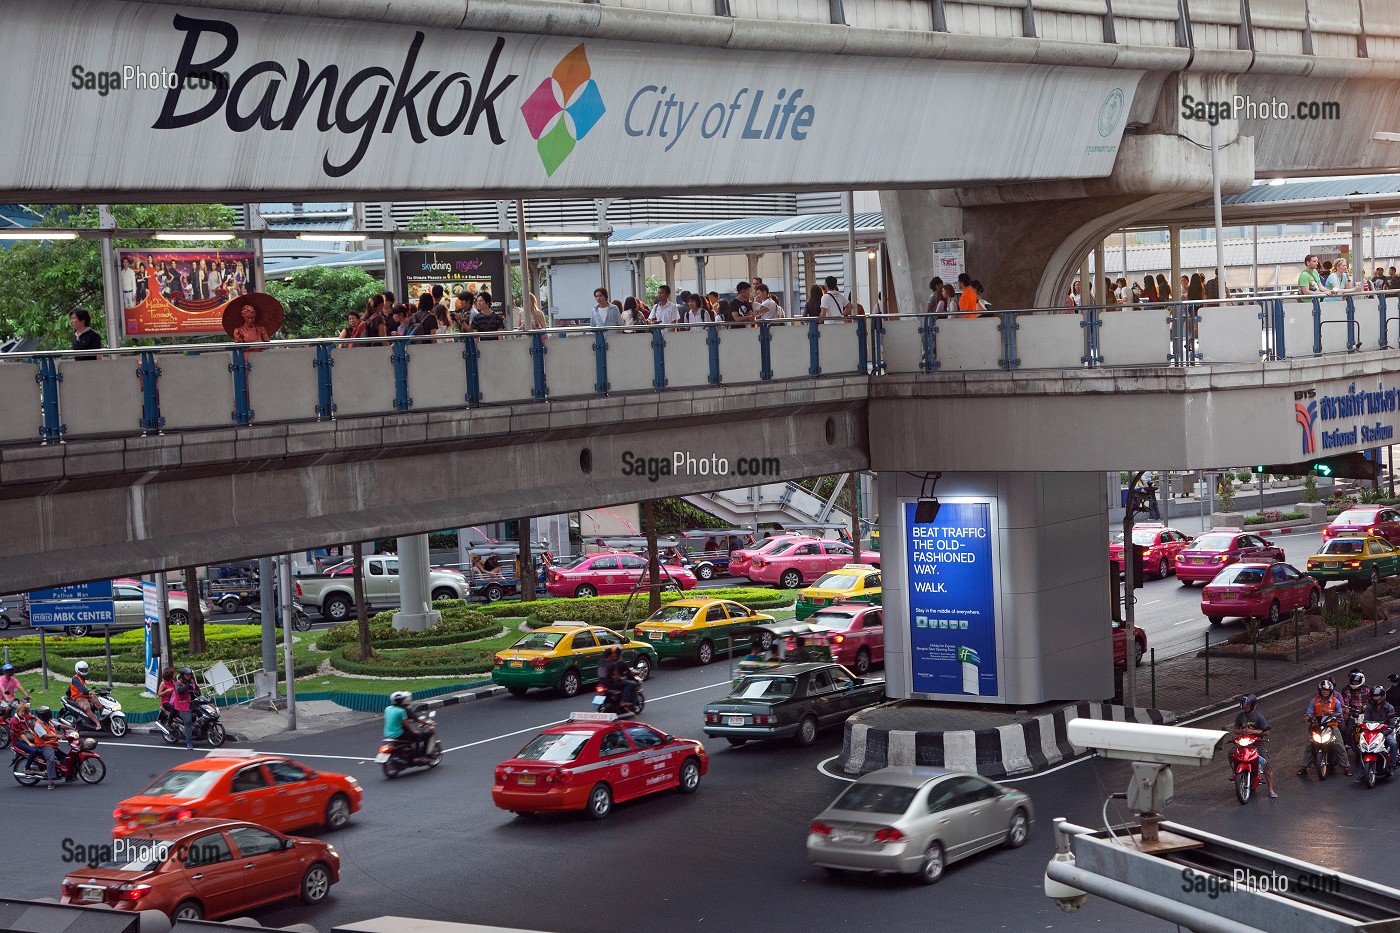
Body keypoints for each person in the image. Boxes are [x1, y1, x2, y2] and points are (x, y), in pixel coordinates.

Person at [1298, 678, 1348, 777]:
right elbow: (1309, 713)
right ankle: (1304, 767)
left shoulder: (1335, 701)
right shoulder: (1314, 701)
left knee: (1339, 744)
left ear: (1330, 691)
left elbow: (1340, 715)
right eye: (1323, 690)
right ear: (1320, 691)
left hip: (1331, 726)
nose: (1325, 692)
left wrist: (1330, 713)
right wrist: (1307, 718)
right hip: (1317, 726)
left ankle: (1346, 766)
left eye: (1327, 690)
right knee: (1309, 744)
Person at [1234, 694, 1278, 798]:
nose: (1245, 708)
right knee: (1232, 754)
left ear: (1253, 706)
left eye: (1247, 706)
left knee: (1266, 766)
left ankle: (1270, 789)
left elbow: (1266, 732)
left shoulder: (1259, 717)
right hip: (1243, 743)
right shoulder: (1240, 716)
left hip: (1257, 744)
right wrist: (1241, 731)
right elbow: (1235, 730)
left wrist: (1252, 731)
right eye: (1244, 707)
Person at [1360, 685, 1398, 774]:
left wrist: (1384, 733)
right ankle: (1362, 773)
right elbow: (1365, 721)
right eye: (1374, 696)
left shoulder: (1389, 708)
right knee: (1362, 748)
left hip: (1384, 732)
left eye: (1377, 696)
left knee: (1393, 743)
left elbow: (1391, 724)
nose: (1375, 698)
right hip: (1371, 732)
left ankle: (1392, 765)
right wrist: (1365, 731)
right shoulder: (1369, 707)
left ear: (1382, 696)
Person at [384, 690, 427, 758]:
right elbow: (406, 724)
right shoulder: (401, 711)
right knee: (420, 735)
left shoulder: (387, 709)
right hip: (398, 734)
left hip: (387, 733)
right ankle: (417, 756)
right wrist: (414, 731)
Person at [25, 706, 59, 789]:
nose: (49, 716)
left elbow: (59, 725)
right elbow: (44, 735)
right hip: (43, 746)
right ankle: (50, 781)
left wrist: (72, 728)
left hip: (51, 744)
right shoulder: (38, 725)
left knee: (64, 756)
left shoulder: (49, 722)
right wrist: (58, 736)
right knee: (51, 759)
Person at [68, 661, 101, 730]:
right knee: (87, 708)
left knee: (99, 704)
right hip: (78, 697)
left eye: (85, 670)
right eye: (82, 670)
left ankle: (103, 718)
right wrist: (87, 691)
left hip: (86, 695)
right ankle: (97, 723)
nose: (83, 671)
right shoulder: (75, 678)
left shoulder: (82, 677)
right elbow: (82, 688)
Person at [171, 667, 197, 750]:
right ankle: (189, 742)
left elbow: (197, 690)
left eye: (190, 674)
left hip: (191, 703)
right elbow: (179, 691)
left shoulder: (192, 682)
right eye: (187, 675)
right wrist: (187, 686)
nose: (189, 676)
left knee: (203, 713)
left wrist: (196, 692)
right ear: (183, 675)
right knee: (188, 722)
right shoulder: (178, 683)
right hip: (182, 705)